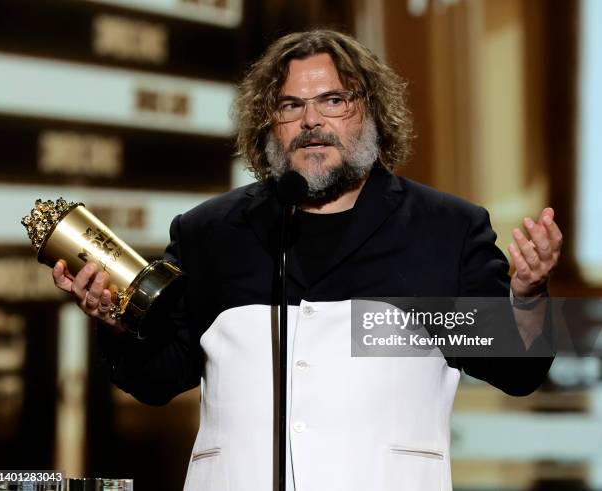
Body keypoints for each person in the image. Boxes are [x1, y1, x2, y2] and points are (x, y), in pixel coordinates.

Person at [52, 30, 562, 491]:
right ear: (267, 124)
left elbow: (516, 372)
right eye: (290, 105)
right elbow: (158, 379)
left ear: (374, 113)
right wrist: (116, 324)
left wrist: (527, 294)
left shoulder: (444, 230)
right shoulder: (210, 232)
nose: (311, 121)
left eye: (332, 100)